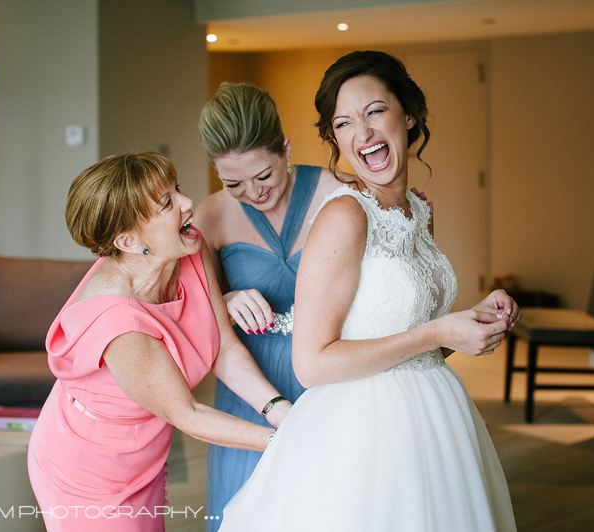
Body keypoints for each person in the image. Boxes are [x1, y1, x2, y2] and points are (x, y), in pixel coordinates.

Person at [219, 51, 521, 531]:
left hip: (435, 419)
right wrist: (437, 331)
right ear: (335, 138)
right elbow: (312, 364)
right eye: (343, 123)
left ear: (409, 114)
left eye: (375, 111)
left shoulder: (419, 213)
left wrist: (469, 324)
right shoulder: (345, 216)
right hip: (365, 434)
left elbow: (409, 345)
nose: (362, 133)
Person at [27, 152, 292, 532]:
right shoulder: (119, 323)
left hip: (145, 450)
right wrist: (286, 440)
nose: (187, 203)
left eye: (177, 189)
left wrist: (278, 409)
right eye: (167, 203)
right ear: (129, 241)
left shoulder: (187, 247)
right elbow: (188, 414)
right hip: (87, 469)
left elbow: (224, 347)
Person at [192, 82, 344, 528]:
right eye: (233, 182)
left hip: (328, 381)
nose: (254, 193)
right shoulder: (212, 216)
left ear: (285, 149)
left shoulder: (339, 194)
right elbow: (200, 313)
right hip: (250, 388)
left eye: (264, 176)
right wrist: (226, 296)